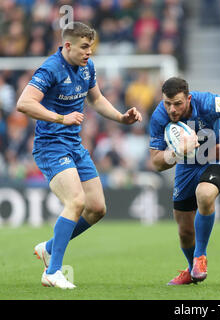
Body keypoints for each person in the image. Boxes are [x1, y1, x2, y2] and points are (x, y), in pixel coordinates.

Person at [16, 22, 142, 289]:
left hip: (74, 145)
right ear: (68, 45)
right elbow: (24, 103)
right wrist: (61, 118)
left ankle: (49, 248)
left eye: (92, 47)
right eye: (84, 47)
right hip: (51, 146)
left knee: (97, 208)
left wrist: (121, 117)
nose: (89, 52)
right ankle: (53, 271)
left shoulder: (87, 67)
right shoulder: (50, 68)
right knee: (75, 201)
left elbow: (96, 100)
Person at [148, 77, 220, 285]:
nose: (172, 109)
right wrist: (175, 153)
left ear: (188, 99)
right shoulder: (159, 116)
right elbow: (156, 162)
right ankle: (192, 271)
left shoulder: (208, 102)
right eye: (167, 103)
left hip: (219, 157)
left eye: (178, 103)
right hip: (187, 166)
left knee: (205, 193)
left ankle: (200, 257)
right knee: (185, 230)